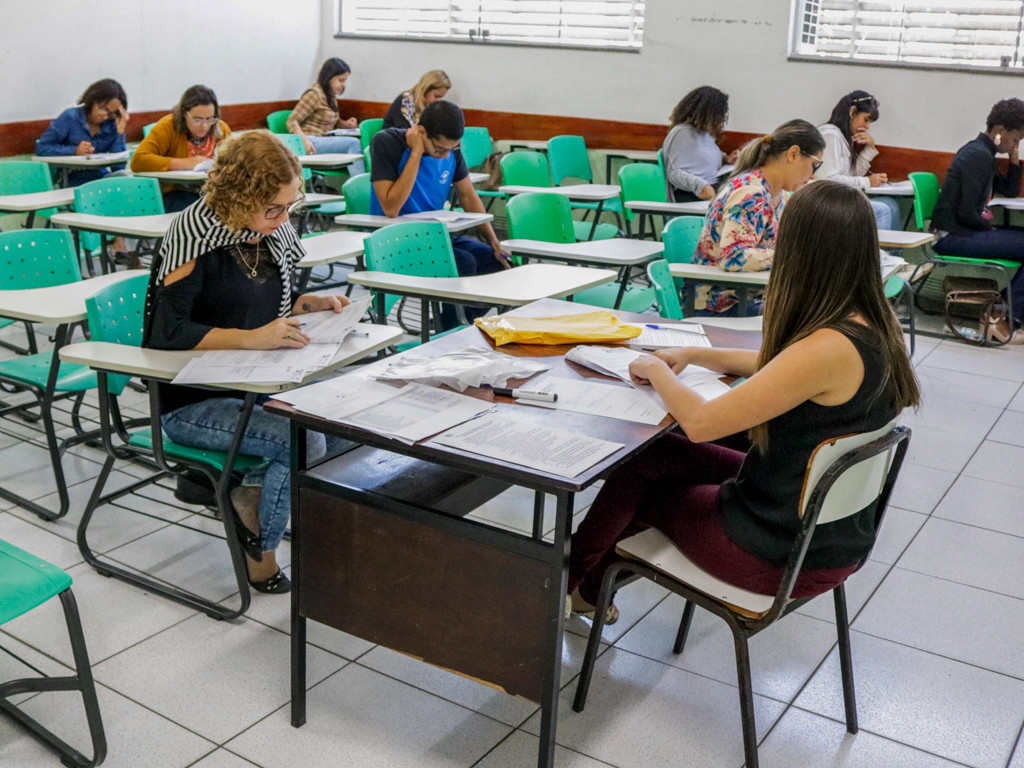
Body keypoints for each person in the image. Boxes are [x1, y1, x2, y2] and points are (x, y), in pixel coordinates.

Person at [566, 180, 921, 623]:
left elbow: (699, 421)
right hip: (816, 527)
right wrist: (694, 353)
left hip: (779, 553)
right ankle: (581, 585)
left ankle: (572, 584)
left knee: (648, 481)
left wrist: (656, 369)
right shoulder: (870, 322)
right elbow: (777, 367)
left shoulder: (827, 346)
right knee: (657, 458)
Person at [145, 131, 352, 595]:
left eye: (289, 207)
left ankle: (248, 491)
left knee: (344, 428)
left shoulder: (264, 233)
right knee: (302, 444)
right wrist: (251, 338)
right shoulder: (194, 234)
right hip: (190, 400)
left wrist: (304, 304)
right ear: (240, 197)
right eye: (273, 209)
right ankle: (261, 552)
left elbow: (254, 304)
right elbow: (167, 332)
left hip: (253, 388)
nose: (282, 221)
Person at [369, 100, 509, 328]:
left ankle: (454, 324)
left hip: (436, 236)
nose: (446, 156)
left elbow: (467, 195)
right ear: (421, 132)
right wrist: (416, 152)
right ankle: (451, 333)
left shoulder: (451, 151)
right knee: (464, 262)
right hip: (394, 240)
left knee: (492, 262)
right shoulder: (386, 142)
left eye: (451, 150)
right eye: (440, 149)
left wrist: (493, 241)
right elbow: (391, 207)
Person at [693, 119, 825, 315]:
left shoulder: (782, 195)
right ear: (794, 154)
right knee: (816, 318)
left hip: (752, 296)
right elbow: (733, 256)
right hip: (724, 304)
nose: (813, 175)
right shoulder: (751, 193)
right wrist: (795, 256)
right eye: (815, 165)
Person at [932, 98, 1024, 344]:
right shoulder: (978, 155)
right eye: (1015, 140)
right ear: (1000, 132)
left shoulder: (984, 152)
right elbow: (966, 213)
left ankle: (1001, 312)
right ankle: (1000, 317)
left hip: (962, 229)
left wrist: (1013, 156)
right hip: (951, 235)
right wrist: (990, 229)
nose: (1016, 144)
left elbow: (1010, 189)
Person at [130, 85, 232, 212]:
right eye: (197, 119)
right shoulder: (167, 127)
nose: (204, 125)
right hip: (176, 193)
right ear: (185, 114)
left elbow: (233, 163)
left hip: (212, 192)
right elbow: (138, 160)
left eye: (210, 119)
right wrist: (185, 163)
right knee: (203, 210)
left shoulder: (221, 129)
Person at [815, 90, 901, 231]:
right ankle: (877, 253)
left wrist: (870, 149)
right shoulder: (830, 135)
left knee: (891, 205)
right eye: (866, 119)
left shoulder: (842, 137)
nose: (867, 126)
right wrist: (868, 182)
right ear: (852, 111)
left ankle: (893, 253)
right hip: (827, 202)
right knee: (882, 210)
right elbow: (828, 180)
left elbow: (851, 176)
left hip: (839, 199)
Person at [36, 78, 129, 186]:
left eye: (112, 113)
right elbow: (42, 148)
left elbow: (118, 168)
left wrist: (120, 132)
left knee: (125, 181)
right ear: (92, 101)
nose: (105, 116)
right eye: (103, 109)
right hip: (71, 180)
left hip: (99, 178)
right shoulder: (70, 117)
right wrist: (74, 150)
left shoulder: (111, 124)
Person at [285, 58, 365, 173]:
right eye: (341, 80)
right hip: (311, 141)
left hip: (323, 139)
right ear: (329, 77)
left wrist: (346, 125)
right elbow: (291, 121)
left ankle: (361, 183)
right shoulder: (314, 94)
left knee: (358, 141)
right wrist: (304, 139)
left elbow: (333, 122)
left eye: (345, 81)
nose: (343, 85)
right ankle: (361, 187)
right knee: (354, 143)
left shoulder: (329, 95)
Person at [662, 86, 738, 203]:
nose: (720, 120)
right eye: (717, 115)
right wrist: (701, 186)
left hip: (711, 188)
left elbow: (700, 158)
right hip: (693, 194)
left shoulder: (704, 134)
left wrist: (726, 159)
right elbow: (675, 173)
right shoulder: (682, 133)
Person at [382, 70, 451, 130]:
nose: (438, 101)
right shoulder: (406, 100)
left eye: (441, 97)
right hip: (393, 142)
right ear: (425, 89)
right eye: (436, 96)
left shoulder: (428, 106)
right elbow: (406, 132)